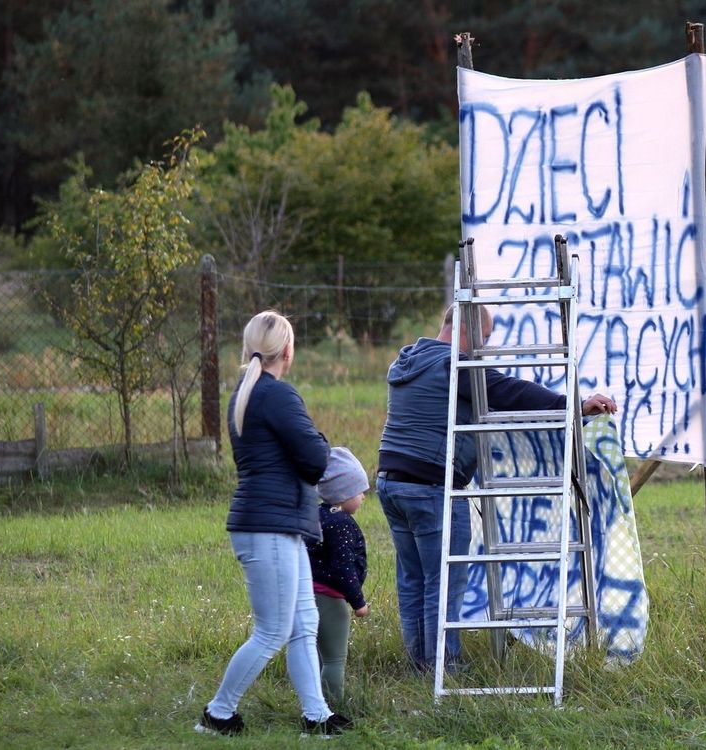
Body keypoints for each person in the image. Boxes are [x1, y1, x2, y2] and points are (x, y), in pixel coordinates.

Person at [376, 305, 617, 671]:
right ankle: (443, 666)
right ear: (467, 329)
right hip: (432, 486)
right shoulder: (454, 367)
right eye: (485, 338)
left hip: (391, 482)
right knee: (443, 581)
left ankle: (419, 665)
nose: (485, 348)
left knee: (413, 580)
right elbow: (508, 392)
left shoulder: (408, 362)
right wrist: (575, 406)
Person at [196, 310, 352, 738]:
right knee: (273, 631)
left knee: (303, 624)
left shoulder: (246, 394)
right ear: (288, 350)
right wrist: (322, 441)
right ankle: (218, 713)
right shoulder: (277, 395)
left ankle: (316, 716)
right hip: (271, 527)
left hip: (274, 524)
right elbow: (316, 459)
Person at [305, 446, 371, 706]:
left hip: (307, 594)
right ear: (343, 494)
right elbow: (343, 568)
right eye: (359, 491)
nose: (363, 496)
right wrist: (358, 603)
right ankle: (333, 706)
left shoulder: (317, 515)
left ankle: (312, 703)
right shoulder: (341, 523)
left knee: (315, 655)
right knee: (334, 659)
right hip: (331, 600)